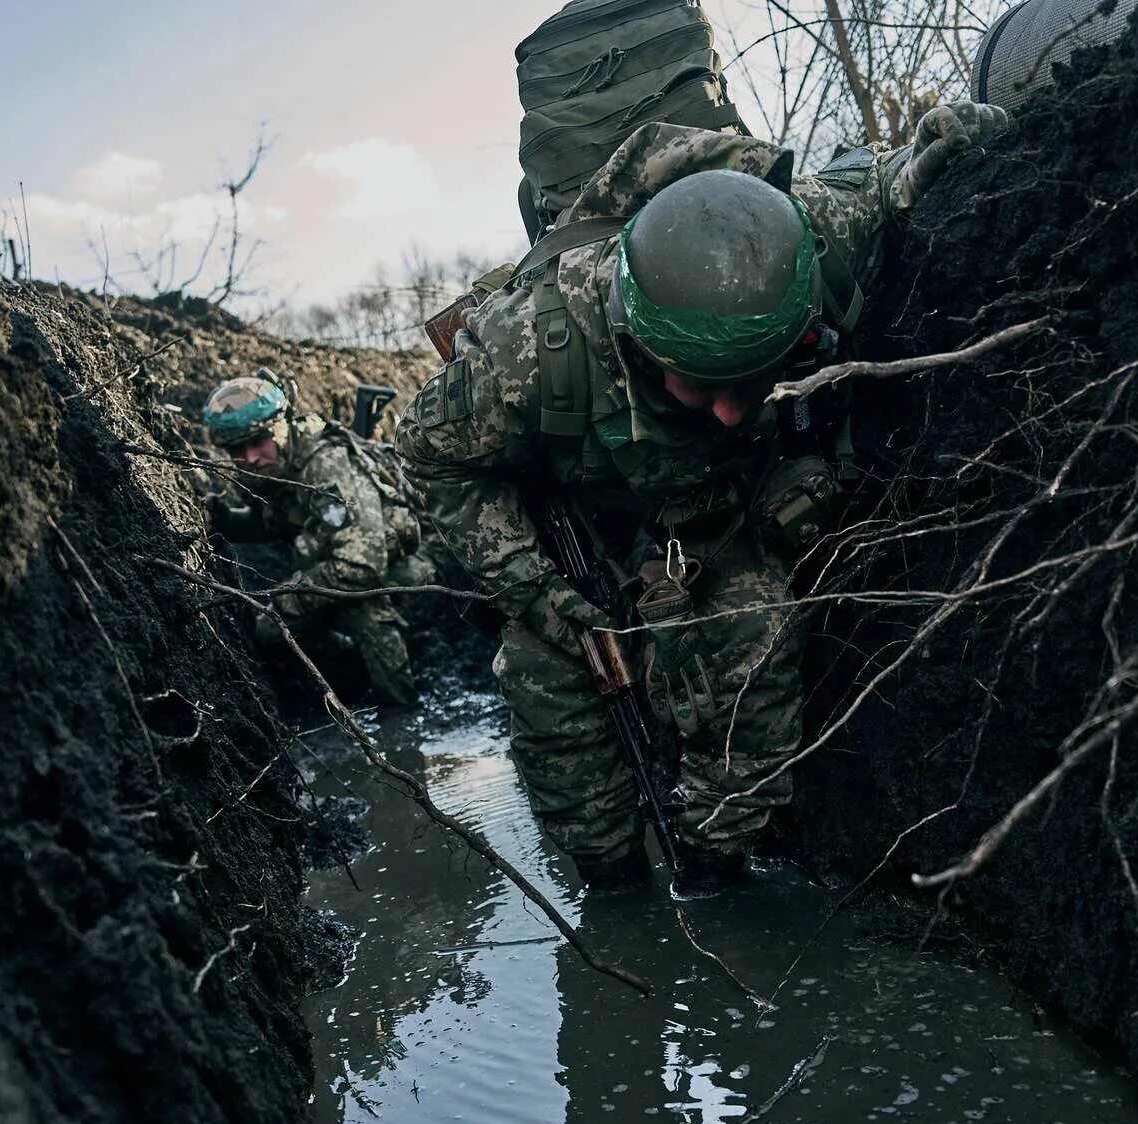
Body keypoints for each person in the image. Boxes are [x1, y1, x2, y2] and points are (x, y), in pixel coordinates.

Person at [397, 104, 1008, 898]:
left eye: (749, 384)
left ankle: (714, 876)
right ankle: (612, 890)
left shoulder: (809, 244)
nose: (728, 412)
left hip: (723, 522)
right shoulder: (531, 350)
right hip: (586, 535)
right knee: (550, 696)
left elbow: (882, 182)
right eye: (698, 385)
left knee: (756, 652)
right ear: (636, 335)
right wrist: (540, 592)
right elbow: (429, 456)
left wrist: (931, 153)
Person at [202, 373, 431, 705]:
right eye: (237, 449)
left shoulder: (325, 464)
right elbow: (277, 522)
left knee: (363, 611)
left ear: (281, 427)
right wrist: (226, 521)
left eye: (258, 441)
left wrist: (288, 598)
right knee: (270, 631)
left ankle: (401, 715)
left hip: (399, 568)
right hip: (339, 563)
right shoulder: (278, 464)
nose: (250, 458)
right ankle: (344, 676)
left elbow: (363, 565)